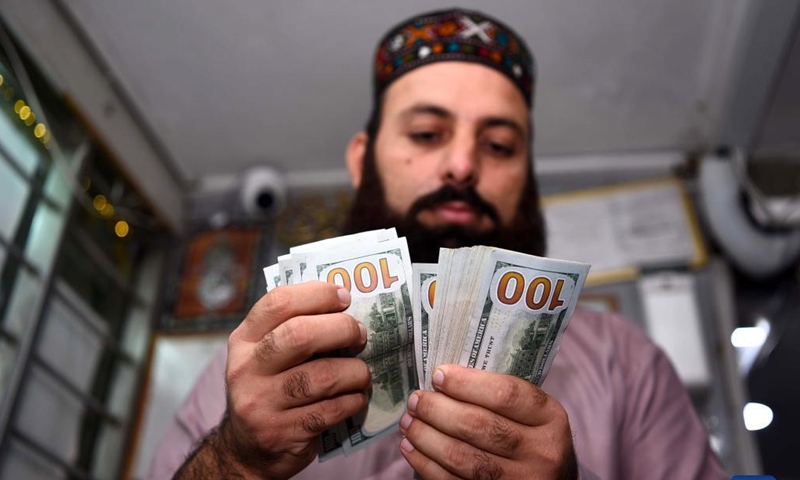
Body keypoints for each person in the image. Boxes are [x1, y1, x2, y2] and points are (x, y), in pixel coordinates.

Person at [149, 8, 726, 480]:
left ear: (526, 175)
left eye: (499, 145)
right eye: (427, 134)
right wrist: (236, 460)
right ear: (361, 159)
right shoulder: (257, 365)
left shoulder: (624, 363)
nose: (462, 165)